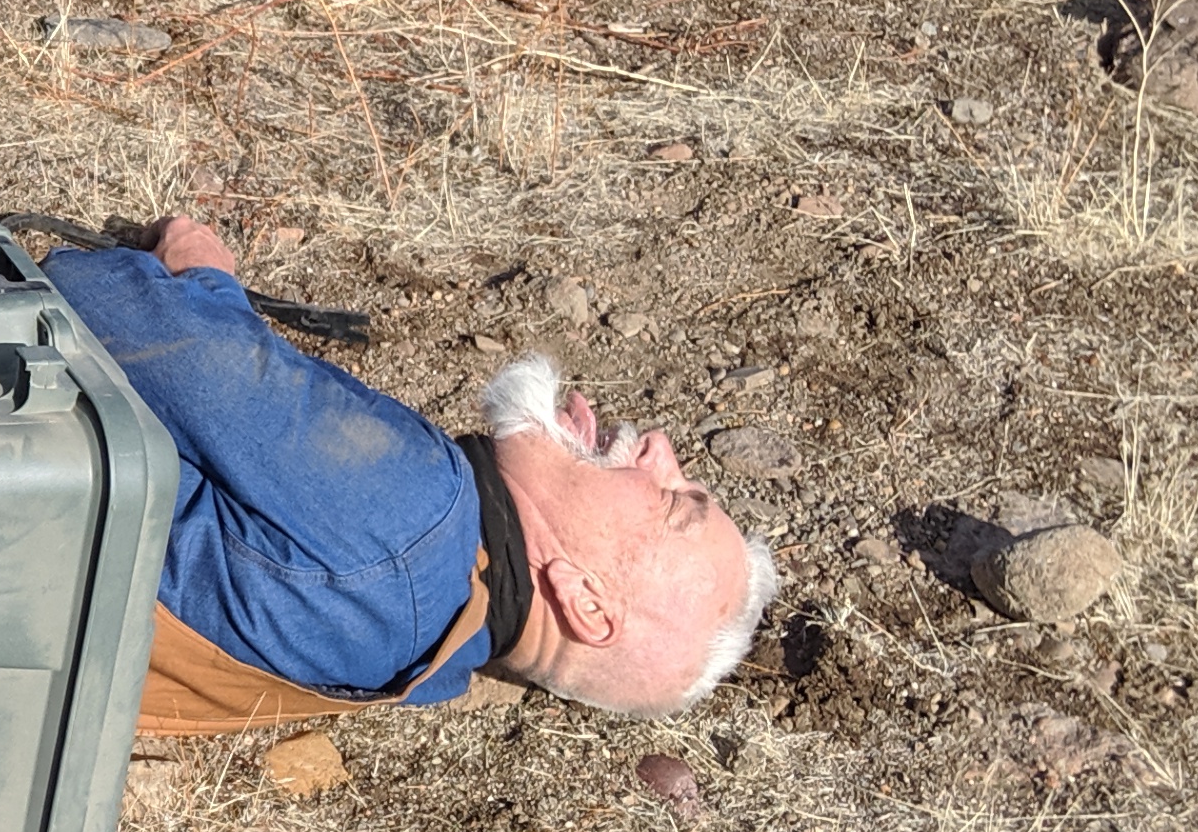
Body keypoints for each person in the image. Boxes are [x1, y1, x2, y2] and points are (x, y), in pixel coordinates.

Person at [42, 213, 777, 733]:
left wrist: (202, 274)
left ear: (585, 602)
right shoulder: (427, 655)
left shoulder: (415, 516)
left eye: (673, 503)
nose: (659, 449)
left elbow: (84, 301)